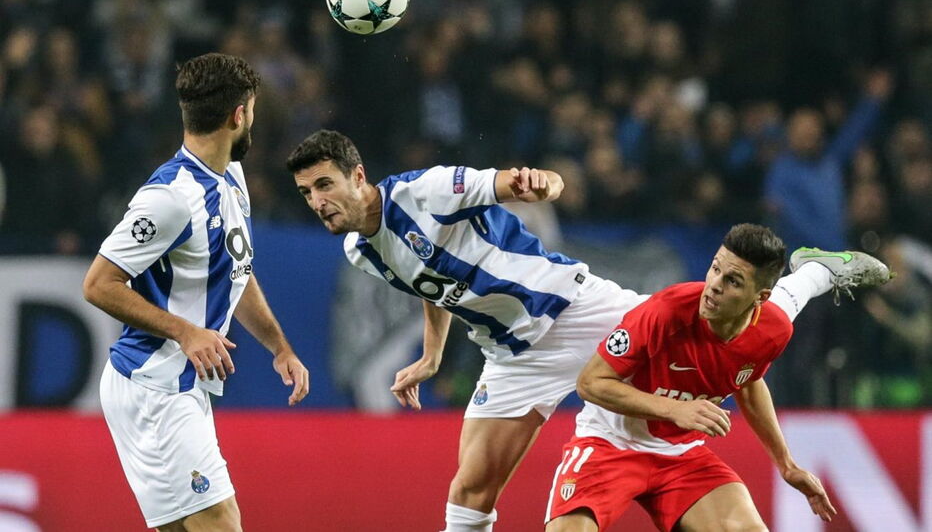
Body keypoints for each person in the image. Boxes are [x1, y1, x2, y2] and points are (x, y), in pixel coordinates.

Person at [286, 129, 649, 532]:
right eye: (306, 193)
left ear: (357, 176)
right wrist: (431, 354)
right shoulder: (359, 251)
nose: (317, 202)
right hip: (512, 356)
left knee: (696, 329)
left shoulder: (427, 191)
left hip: (573, 310)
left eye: (324, 185)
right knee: (469, 496)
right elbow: (428, 282)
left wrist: (545, 183)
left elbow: (522, 181)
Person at [83, 53, 310, 532]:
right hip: (153, 386)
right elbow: (99, 283)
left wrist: (279, 347)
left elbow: (237, 271)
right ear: (240, 114)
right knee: (223, 522)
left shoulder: (232, 177)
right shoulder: (170, 197)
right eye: (254, 113)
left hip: (182, 387)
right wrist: (186, 331)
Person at [545, 225, 892, 531]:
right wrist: (672, 409)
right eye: (714, 269)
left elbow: (749, 382)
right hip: (611, 442)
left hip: (681, 454)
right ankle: (820, 270)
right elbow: (590, 383)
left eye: (733, 281)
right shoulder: (665, 312)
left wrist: (786, 465)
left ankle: (818, 267)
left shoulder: (772, 329)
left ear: (759, 298)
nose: (713, 286)